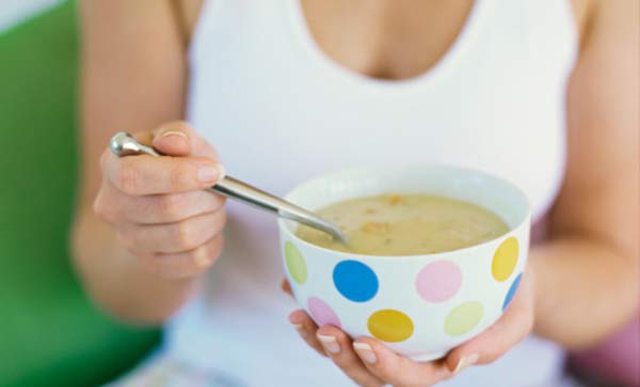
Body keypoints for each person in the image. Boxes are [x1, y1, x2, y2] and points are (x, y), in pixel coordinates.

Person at [72, 0, 639, 386]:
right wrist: (156, 235)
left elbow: (615, 266)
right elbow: (113, 280)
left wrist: (514, 287)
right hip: (231, 372)